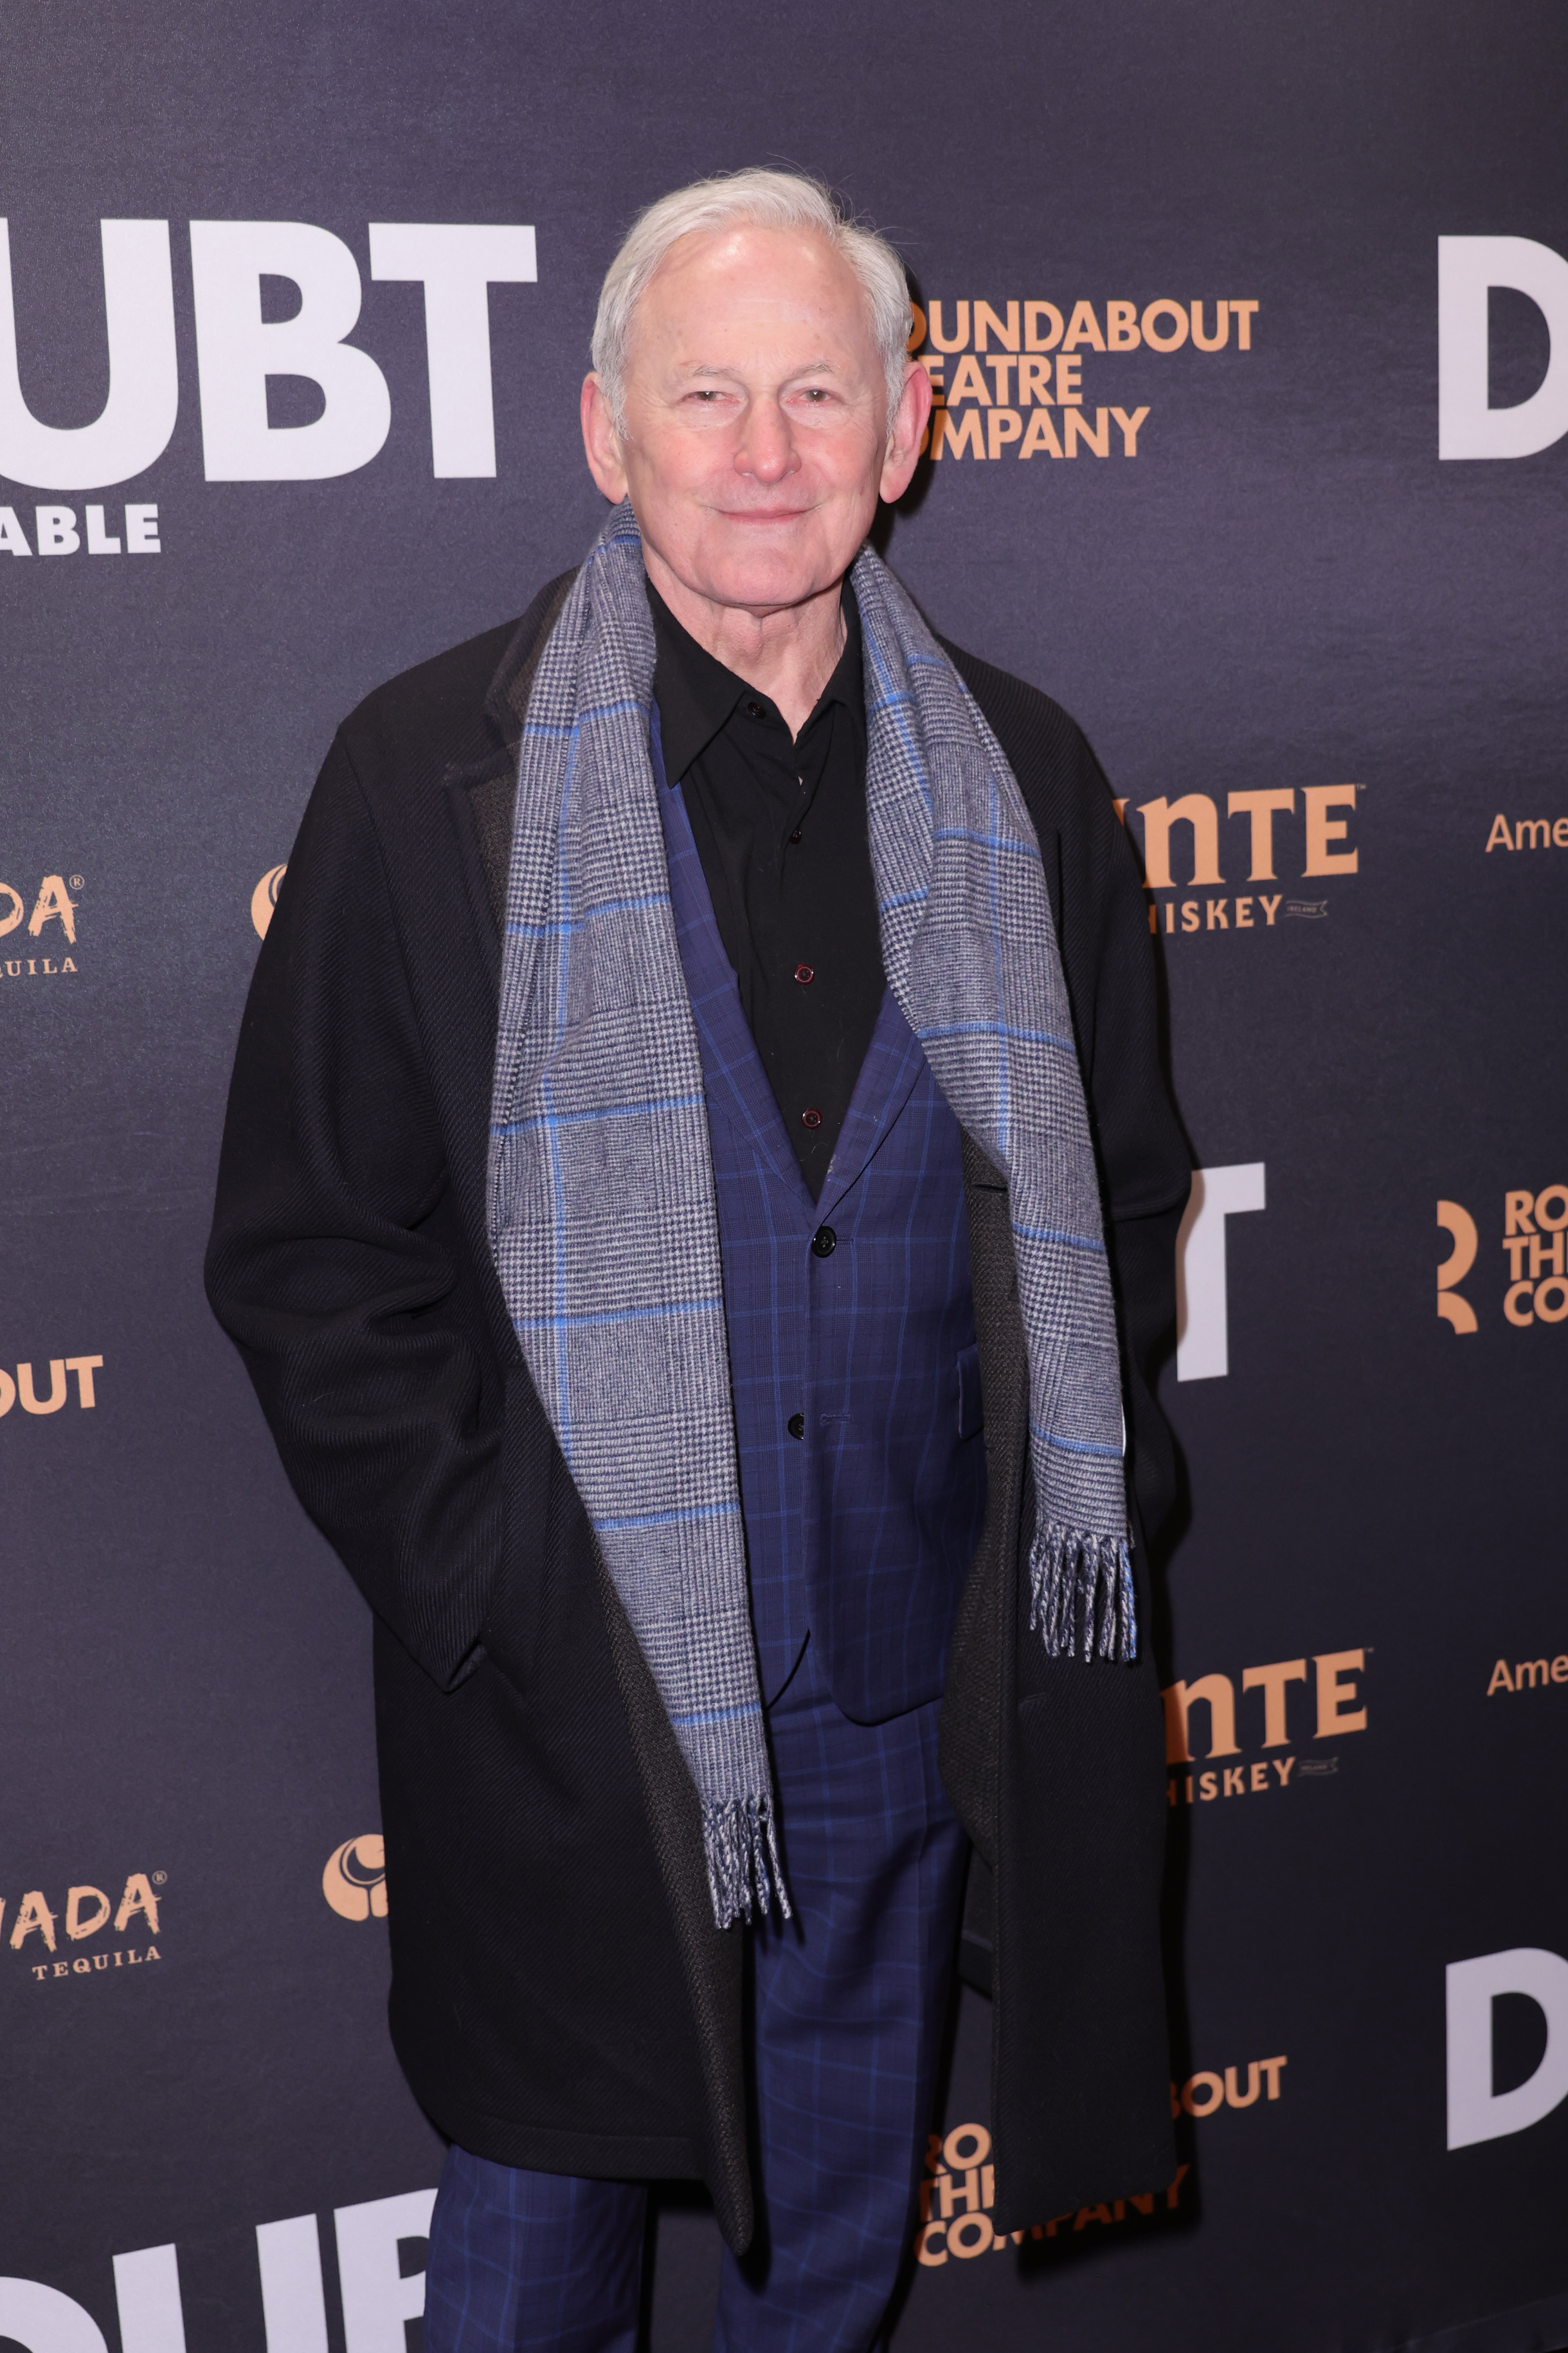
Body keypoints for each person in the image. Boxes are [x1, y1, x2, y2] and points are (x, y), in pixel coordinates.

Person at [206, 168, 1190, 2353]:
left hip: (892, 1703)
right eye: (709, 393)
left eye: (818, 392)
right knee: (529, 2284)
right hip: (576, 1716)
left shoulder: (1026, 777)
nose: (766, 450)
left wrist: (1035, 1536)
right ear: (604, 433)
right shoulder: (424, 776)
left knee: (827, 2273)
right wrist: (500, 1585)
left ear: (907, 427)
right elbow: (309, 1252)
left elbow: (1120, 1197)